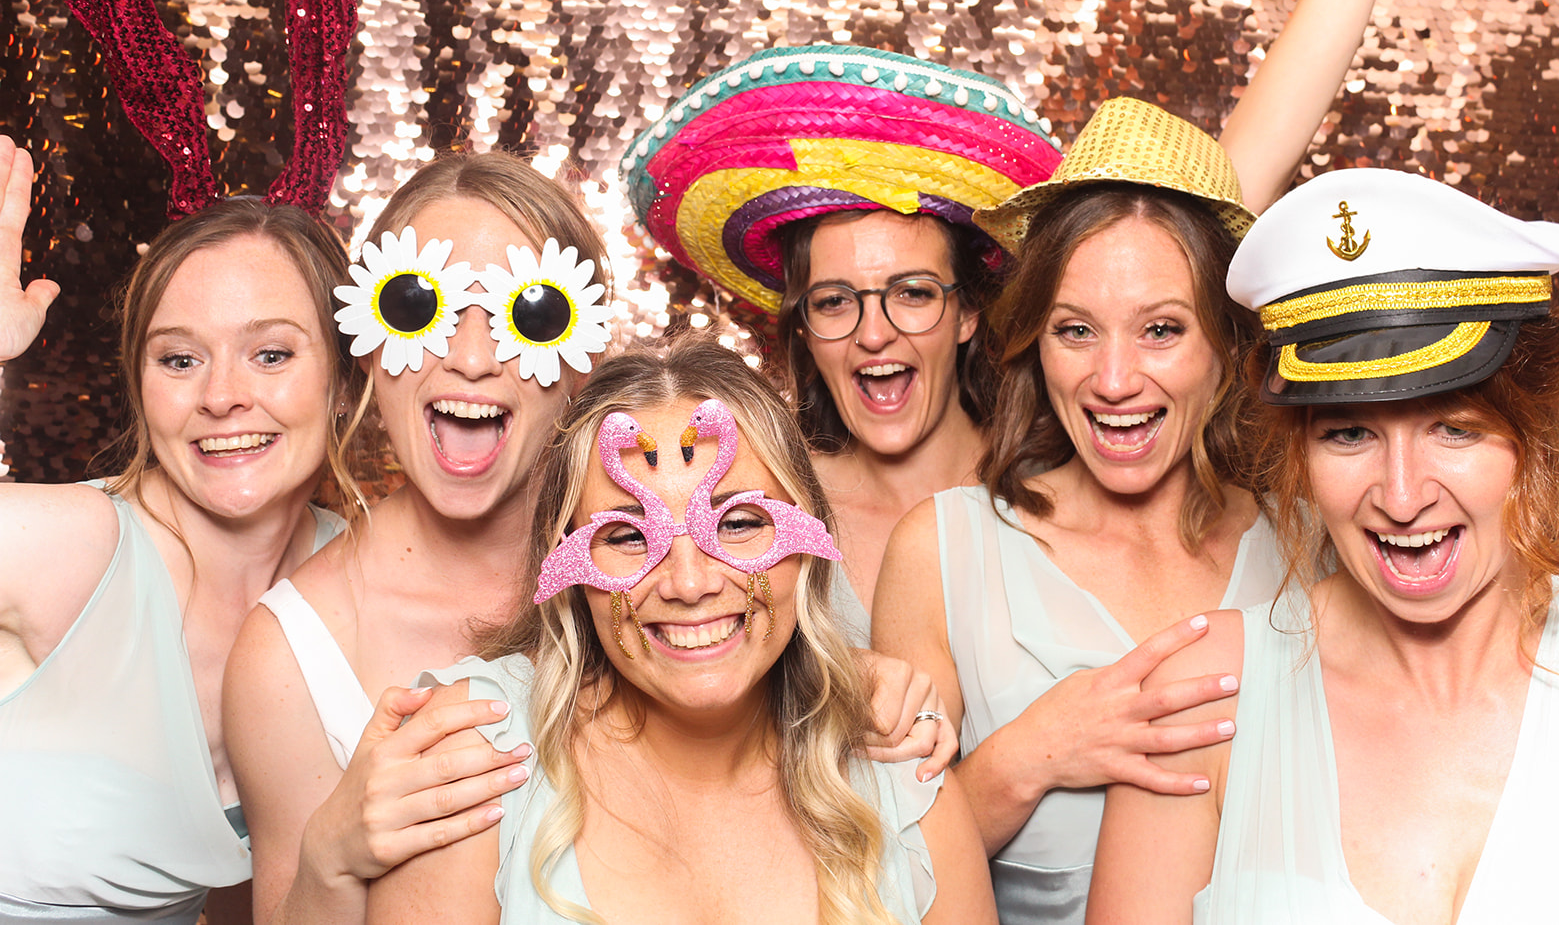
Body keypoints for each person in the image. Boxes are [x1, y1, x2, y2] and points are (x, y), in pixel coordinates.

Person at [625, 0, 1409, 641]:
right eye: (834, 300)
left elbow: (1214, 205)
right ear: (799, 322)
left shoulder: (1076, 435)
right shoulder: (754, 500)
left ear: (970, 308)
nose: (874, 332)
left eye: (913, 291)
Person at [1088, 168, 1559, 923]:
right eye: (1349, 433)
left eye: (1452, 427)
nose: (1400, 495)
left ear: (1536, 436)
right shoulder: (1201, 697)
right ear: (1299, 454)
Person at [365, 336, 999, 924]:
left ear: (808, 541)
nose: (689, 585)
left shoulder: (899, 767)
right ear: (566, 564)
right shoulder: (471, 758)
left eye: (739, 524)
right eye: (626, 537)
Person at [871, 98, 1274, 923]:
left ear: (1227, 347)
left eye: (1161, 329)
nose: (1115, 379)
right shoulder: (943, 553)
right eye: (1076, 329)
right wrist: (1032, 753)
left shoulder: (1316, 543)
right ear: (1032, 342)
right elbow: (876, 875)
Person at [223, 151, 615, 924]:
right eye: (418, 307)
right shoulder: (291, 653)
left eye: (531, 316)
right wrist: (332, 853)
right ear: (369, 343)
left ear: (584, 359)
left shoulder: (668, 572)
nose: (471, 359)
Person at [0, 136, 358, 924]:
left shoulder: (357, 578)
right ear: (140, 385)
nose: (222, 396)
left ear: (343, 381)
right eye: (179, 359)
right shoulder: (79, 549)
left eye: (270, 353)